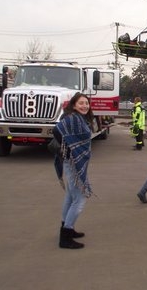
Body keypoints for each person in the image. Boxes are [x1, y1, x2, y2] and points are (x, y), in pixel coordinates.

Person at [53, 92, 94, 250]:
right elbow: (57, 131)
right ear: (74, 104)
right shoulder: (72, 118)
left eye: (86, 103)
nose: (84, 106)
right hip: (73, 163)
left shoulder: (78, 118)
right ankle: (65, 236)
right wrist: (67, 146)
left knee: (70, 196)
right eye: (81, 103)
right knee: (80, 199)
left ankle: (67, 228)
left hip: (73, 162)